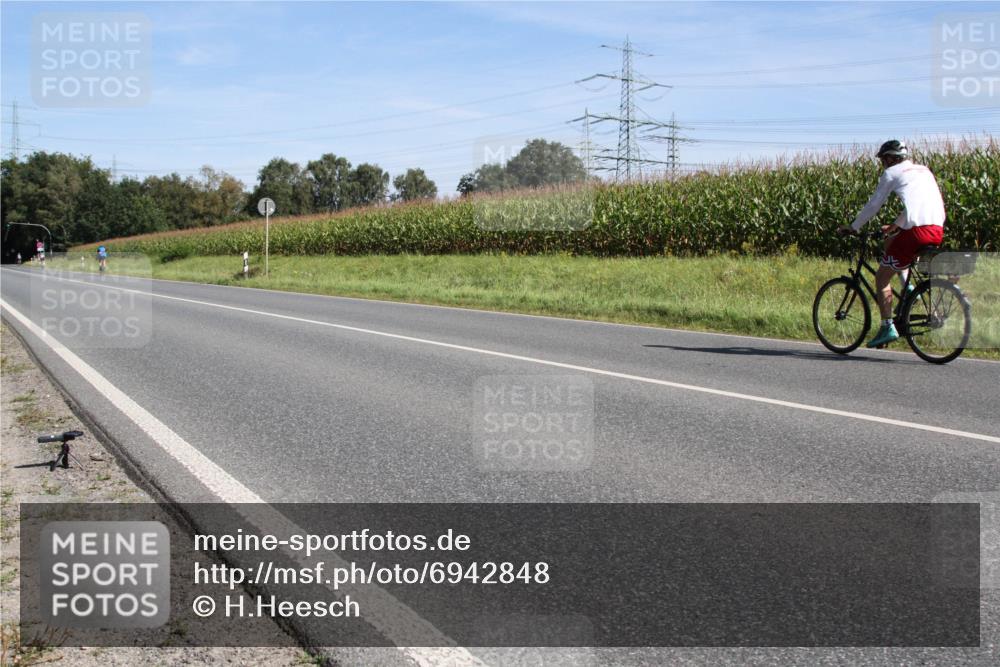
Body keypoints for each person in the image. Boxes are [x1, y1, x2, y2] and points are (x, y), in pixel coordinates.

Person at [837, 140, 946, 348]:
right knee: (890, 243)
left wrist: (853, 227)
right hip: (936, 230)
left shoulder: (892, 173)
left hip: (917, 232)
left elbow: (873, 205)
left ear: (890, 158)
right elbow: (917, 206)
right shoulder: (924, 171)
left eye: (883, 159)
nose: (883, 164)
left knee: (881, 278)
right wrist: (895, 226)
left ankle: (887, 327)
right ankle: (908, 291)